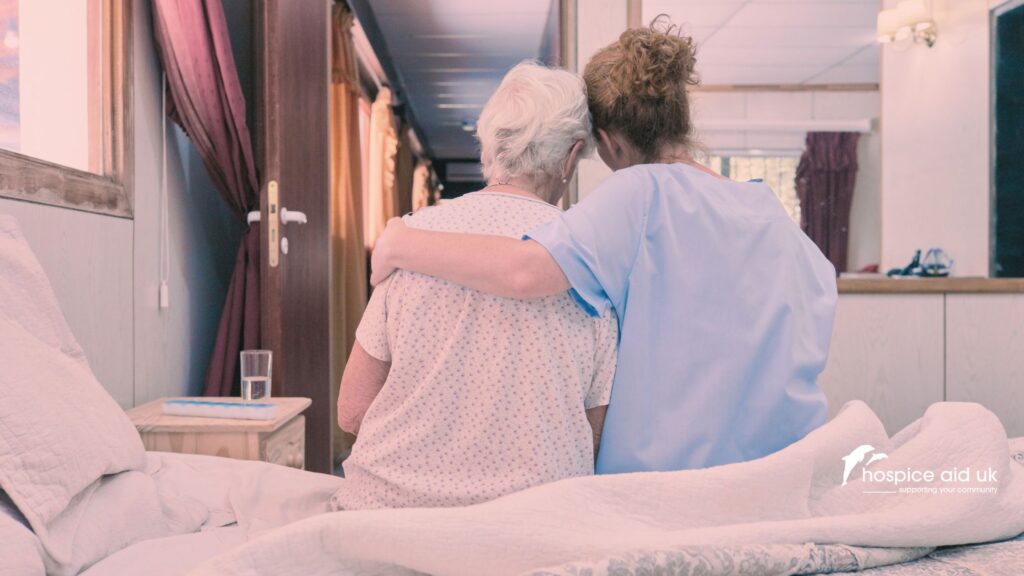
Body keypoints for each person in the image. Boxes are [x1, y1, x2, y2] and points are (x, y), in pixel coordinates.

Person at [370, 22, 837, 475]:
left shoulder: (640, 192)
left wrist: (400, 242)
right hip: (780, 469)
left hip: (666, 484)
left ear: (609, 142)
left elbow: (523, 272)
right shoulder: (766, 209)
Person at [332, 62, 618, 511]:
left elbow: (352, 410)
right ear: (570, 157)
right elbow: (595, 434)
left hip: (387, 517)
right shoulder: (589, 261)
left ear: (489, 147)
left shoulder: (409, 239)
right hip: (531, 526)